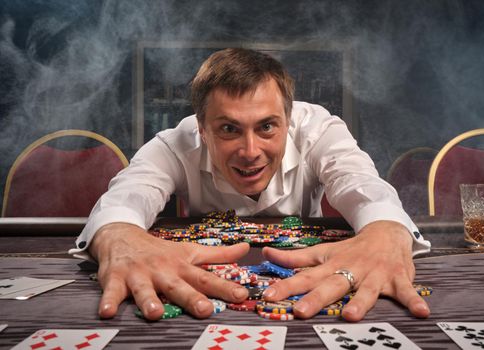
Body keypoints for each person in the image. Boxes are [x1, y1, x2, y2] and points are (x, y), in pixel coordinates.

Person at [69, 48, 431, 322]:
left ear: (288, 121)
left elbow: (360, 183)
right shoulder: (174, 143)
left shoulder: (320, 130)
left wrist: (386, 229)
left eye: (266, 127)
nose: (250, 151)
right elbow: (128, 196)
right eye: (228, 129)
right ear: (202, 129)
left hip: (301, 281)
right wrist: (117, 234)